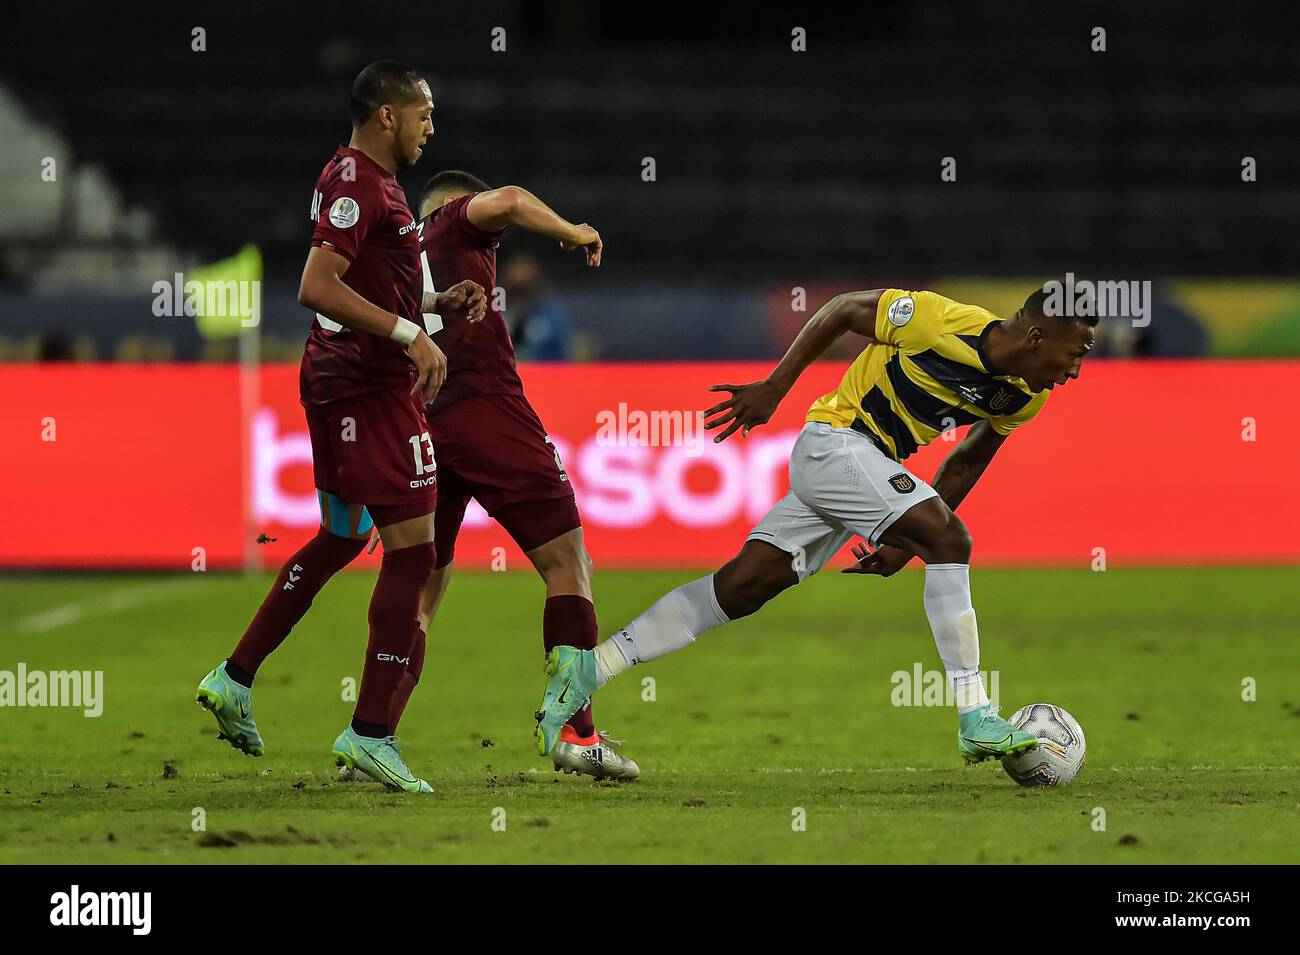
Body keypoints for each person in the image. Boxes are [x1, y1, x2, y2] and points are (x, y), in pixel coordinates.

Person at [533, 285, 1096, 765]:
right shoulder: (936, 319)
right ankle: (977, 714)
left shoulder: (1023, 397)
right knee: (953, 540)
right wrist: (777, 387)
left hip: (863, 473)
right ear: (1037, 338)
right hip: (836, 446)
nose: (1074, 371)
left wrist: (906, 543)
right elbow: (845, 309)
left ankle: (588, 668)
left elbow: (967, 459)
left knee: (741, 588)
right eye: (1075, 353)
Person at [195, 61, 483, 794]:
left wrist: (435, 304)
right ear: (386, 114)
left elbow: (371, 279)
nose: (430, 127)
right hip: (367, 388)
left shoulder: (359, 178)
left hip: (338, 378)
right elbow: (315, 285)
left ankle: (234, 678)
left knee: (343, 535)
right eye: (422, 113)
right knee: (415, 554)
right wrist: (410, 337)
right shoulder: (358, 183)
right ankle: (371, 732)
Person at [394, 169, 638, 779]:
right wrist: (572, 231)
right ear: (454, 205)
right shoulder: (454, 220)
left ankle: (371, 734)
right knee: (568, 564)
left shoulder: (395, 258)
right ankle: (579, 736)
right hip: (488, 412)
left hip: (422, 422)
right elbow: (509, 198)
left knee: (420, 590)